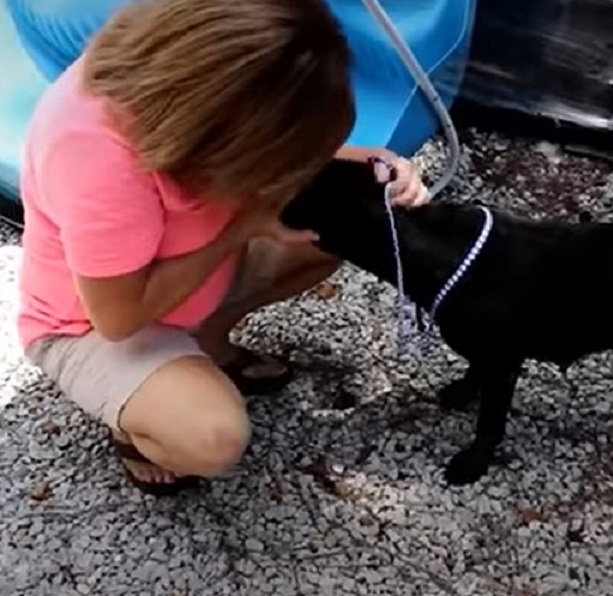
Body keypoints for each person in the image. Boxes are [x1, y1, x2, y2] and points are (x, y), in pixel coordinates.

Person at [18, 0, 429, 496]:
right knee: (211, 438)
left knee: (339, 222)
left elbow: (262, 138)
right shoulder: (98, 160)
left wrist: (366, 167)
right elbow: (118, 319)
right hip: (92, 323)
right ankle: (131, 426)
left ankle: (206, 338)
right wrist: (238, 231)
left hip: (181, 266)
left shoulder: (177, 76)